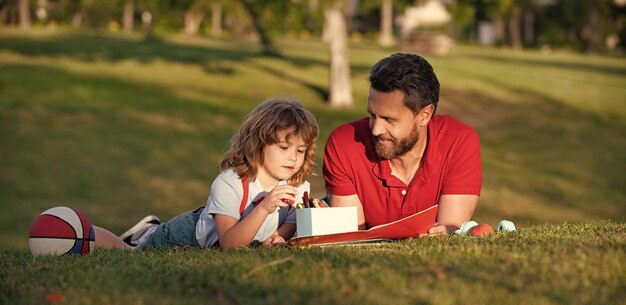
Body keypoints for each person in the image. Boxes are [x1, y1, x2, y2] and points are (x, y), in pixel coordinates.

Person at [93, 97, 320, 249]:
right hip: (186, 235)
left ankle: (147, 231)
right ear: (258, 143)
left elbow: (285, 229)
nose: (293, 157)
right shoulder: (230, 182)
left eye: (300, 150)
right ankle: (84, 231)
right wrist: (264, 207)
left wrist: (279, 237)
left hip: (227, 234)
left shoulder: (299, 187)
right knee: (127, 252)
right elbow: (230, 244)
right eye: (283, 148)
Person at [323, 53, 482, 236]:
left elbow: (450, 231)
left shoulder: (458, 142)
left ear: (424, 115)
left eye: (389, 119)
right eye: (373, 115)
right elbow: (350, 237)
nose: (375, 129)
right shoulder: (344, 145)